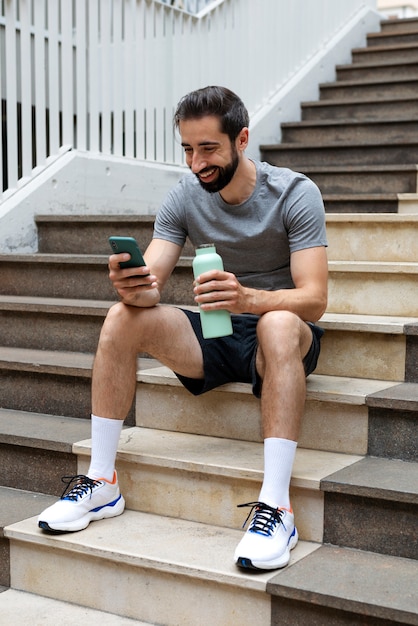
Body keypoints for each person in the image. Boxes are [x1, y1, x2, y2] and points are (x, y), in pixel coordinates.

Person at [38, 86, 328, 571]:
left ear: (241, 140)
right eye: (188, 150)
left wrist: (251, 299)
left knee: (277, 325)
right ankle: (102, 481)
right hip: (215, 330)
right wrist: (131, 285)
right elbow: (153, 285)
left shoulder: (295, 193)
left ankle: (277, 506)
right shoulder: (186, 195)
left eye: (208, 148)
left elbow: (315, 299)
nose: (196, 164)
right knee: (120, 318)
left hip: (282, 332)